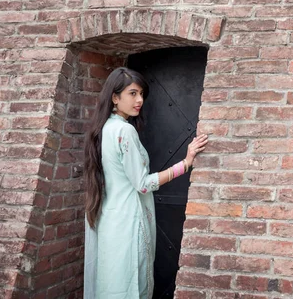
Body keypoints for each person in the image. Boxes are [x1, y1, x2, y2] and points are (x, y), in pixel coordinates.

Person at [83, 67, 208, 299]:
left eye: (141, 94)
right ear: (115, 97)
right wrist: (185, 162)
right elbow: (142, 184)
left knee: (111, 285)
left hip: (110, 221)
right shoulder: (124, 131)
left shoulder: (103, 129)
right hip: (129, 223)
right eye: (132, 93)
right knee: (130, 287)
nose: (140, 100)